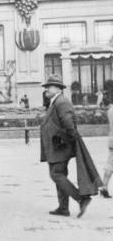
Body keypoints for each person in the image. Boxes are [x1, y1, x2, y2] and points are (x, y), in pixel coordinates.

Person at [40, 74, 95, 218]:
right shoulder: (55, 102)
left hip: (60, 147)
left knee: (56, 174)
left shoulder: (61, 102)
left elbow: (69, 125)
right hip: (56, 147)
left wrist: (65, 141)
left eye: (49, 86)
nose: (46, 89)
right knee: (60, 174)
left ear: (58, 88)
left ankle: (82, 198)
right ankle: (63, 208)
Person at [98, 98, 113, 198]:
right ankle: (103, 187)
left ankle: (104, 186)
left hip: (111, 139)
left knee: (110, 163)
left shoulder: (110, 111)